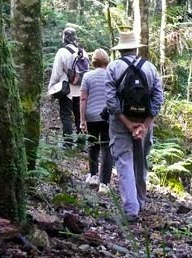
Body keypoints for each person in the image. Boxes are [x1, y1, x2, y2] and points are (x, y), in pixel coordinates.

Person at [105, 30, 164, 223]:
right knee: (141, 161)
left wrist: (129, 125)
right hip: (145, 122)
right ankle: (140, 201)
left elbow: (111, 102)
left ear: (120, 49)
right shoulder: (150, 68)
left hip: (121, 122)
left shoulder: (113, 67)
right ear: (136, 48)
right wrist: (144, 125)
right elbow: (158, 99)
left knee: (124, 161)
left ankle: (131, 209)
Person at [79, 48, 114, 193]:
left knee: (93, 145)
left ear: (93, 61)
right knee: (107, 148)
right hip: (107, 117)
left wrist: (82, 119)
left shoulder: (87, 76)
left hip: (91, 116)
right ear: (107, 61)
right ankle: (104, 184)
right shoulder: (112, 76)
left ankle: (93, 176)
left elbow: (83, 99)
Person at [48, 26, 83, 148]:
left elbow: (56, 72)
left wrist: (51, 87)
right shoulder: (82, 52)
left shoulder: (62, 52)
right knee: (79, 116)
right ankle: (81, 142)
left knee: (66, 115)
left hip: (66, 89)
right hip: (80, 89)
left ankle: (68, 143)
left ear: (64, 38)